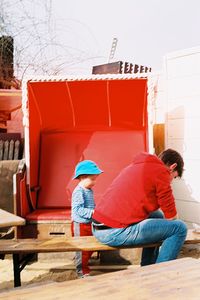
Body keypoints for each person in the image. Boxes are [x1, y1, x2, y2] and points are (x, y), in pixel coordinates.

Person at [92, 149, 187, 266]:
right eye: (174, 176)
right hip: (113, 232)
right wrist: (175, 220)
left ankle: (148, 267)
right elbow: (171, 214)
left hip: (99, 226)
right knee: (180, 228)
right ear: (172, 167)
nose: (171, 181)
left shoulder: (139, 166)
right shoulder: (161, 171)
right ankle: (160, 275)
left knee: (158, 216)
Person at [71, 160, 103, 278]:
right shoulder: (78, 192)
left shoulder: (89, 190)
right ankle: (82, 271)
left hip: (88, 222)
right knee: (82, 248)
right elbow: (78, 209)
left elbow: (91, 205)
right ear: (83, 177)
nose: (95, 182)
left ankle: (81, 261)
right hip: (80, 224)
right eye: (92, 179)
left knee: (89, 246)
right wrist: (93, 213)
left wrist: (96, 211)